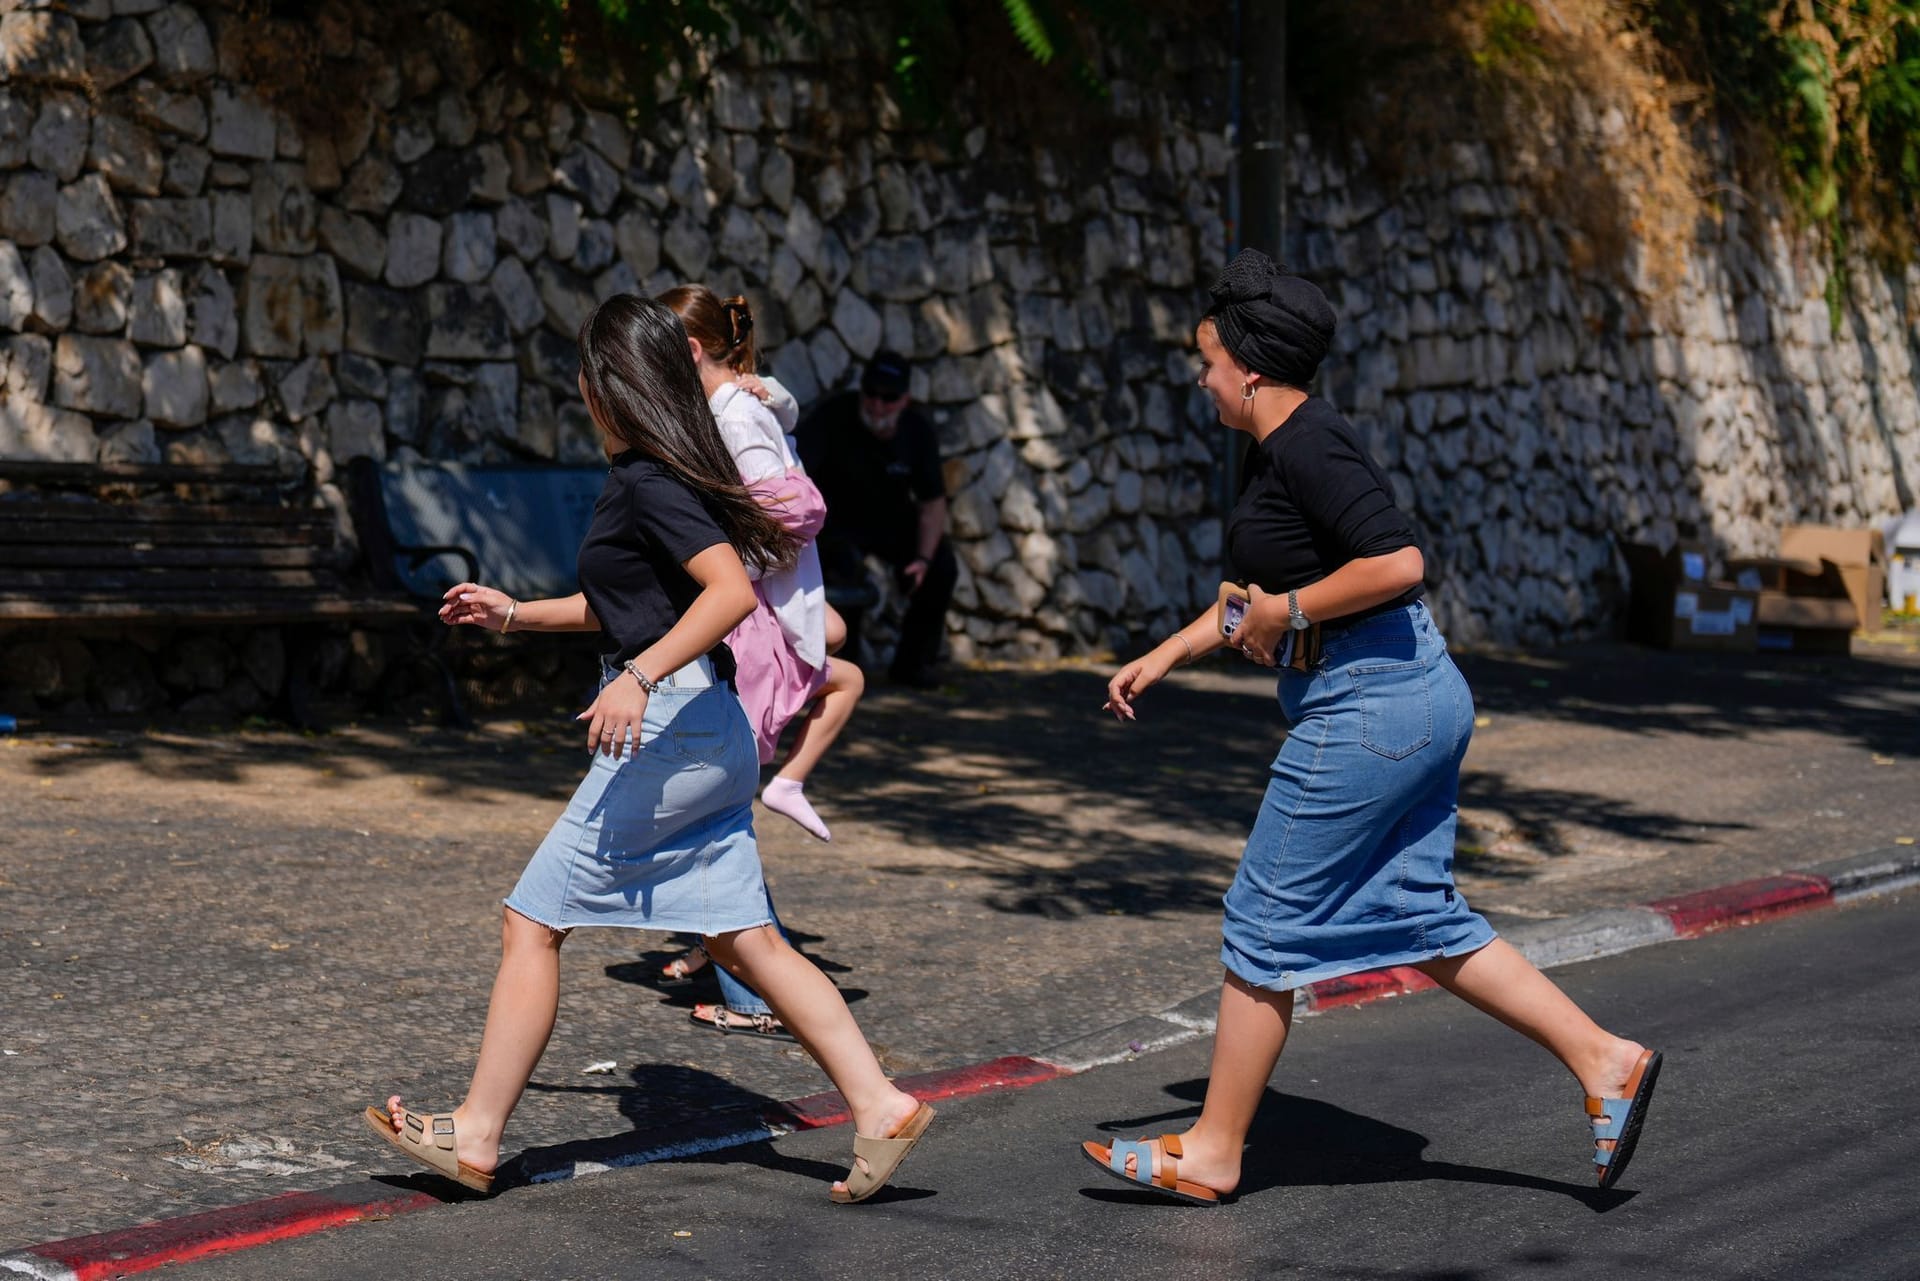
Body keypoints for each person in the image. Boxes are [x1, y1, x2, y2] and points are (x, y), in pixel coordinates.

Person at [1080, 250, 1660, 1206]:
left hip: (1371, 701)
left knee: (1261, 921)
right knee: (1418, 915)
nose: (1201, 375)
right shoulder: (1285, 448)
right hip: (1405, 689)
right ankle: (1608, 1060)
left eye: (1208, 359)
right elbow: (1254, 598)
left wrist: (1291, 610)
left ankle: (1214, 1151)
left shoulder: (1311, 443)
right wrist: (1172, 652)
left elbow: (1396, 562)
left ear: (1252, 369)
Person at [363, 294, 933, 1205]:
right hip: (711, 727)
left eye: (586, 378)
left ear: (610, 389)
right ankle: (880, 1103)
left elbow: (726, 597)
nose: (581, 392)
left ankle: (475, 1134)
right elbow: (628, 606)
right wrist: (514, 612)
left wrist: (636, 676)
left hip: (673, 725)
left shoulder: (650, 481)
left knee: (532, 919)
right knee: (744, 937)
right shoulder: (658, 473)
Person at [653, 282, 864, 1040]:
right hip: (756, 620)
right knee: (716, 807)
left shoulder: (734, 413)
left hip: (752, 628)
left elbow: (797, 507)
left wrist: (726, 555)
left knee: (717, 813)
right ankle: (726, 962)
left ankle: (750, 989)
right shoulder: (732, 407)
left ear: (690, 350)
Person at [795, 350, 955, 688]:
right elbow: (796, 474)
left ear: (905, 400)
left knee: (941, 565)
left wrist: (923, 559)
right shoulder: (832, 417)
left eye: (889, 398)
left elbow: (932, 502)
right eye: (872, 394)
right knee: (845, 573)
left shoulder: (917, 432)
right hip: (835, 525)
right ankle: (840, 671)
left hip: (892, 524)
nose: (878, 405)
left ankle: (913, 664)